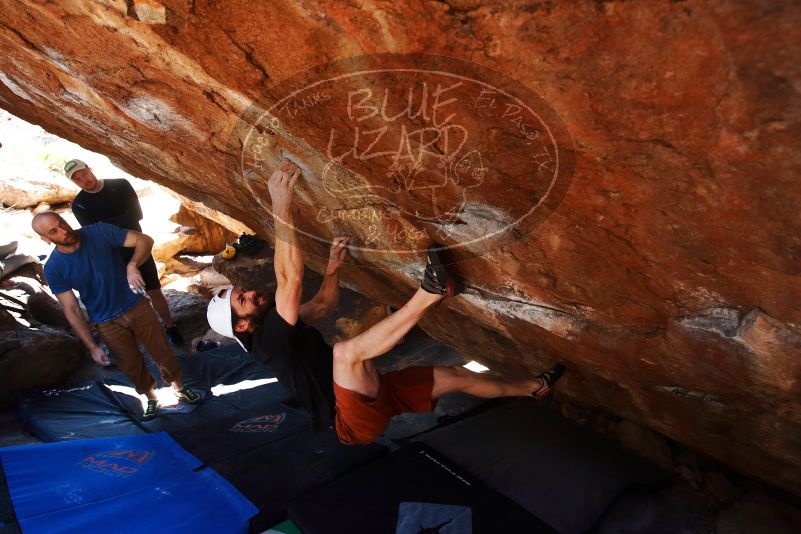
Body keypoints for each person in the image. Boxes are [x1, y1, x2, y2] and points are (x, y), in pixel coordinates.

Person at [206, 160, 565, 444]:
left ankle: (535, 387)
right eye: (243, 298)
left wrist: (332, 270)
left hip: (365, 395)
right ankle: (431, 292)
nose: (250, 292)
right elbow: (290, 278)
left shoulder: (275, 327)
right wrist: (280, 205)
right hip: (349, 421)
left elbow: (322, 306)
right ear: (242, 325)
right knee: (345, 353)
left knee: (456, 376)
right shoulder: (268, 341)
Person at [31, 211, 201, 420]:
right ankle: (151, 398)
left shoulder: (99, 231)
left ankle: (179, 387)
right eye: (54, 231)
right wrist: (92, 347)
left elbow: (144, 240)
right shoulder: (54, 268)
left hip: (135, 304)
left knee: (161, 350)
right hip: (105, 320)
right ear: (46, 239)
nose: (64, 231)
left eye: (62, 223)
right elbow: (71, 309)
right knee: (130, 363)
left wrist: (132, 265)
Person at [64, 159, 183, 346]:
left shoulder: (119, 185)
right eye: (78, 179)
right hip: (112, 255)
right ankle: (144, 334)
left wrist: (106, 226)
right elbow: (94, 233)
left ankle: (170, 326)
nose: (84, 180)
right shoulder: (79, 204)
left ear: (90, 168)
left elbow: (136, 214)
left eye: (84, 173)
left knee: (154, 290)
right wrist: (118, 223)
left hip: (138, 246)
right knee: (129, 298)